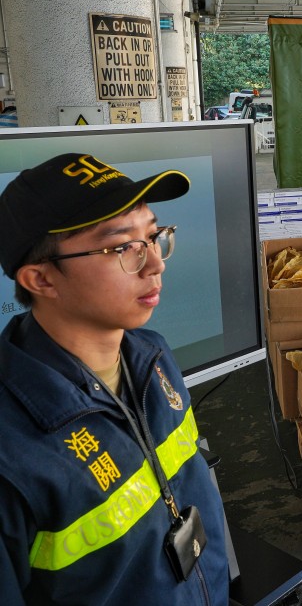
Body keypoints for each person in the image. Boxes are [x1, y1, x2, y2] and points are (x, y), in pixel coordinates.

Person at [0, 153, 229, 605]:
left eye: (153, 236)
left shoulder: (151, 355)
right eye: (122, 247)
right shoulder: (13, 455)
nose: (155, 264)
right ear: (41, 279)